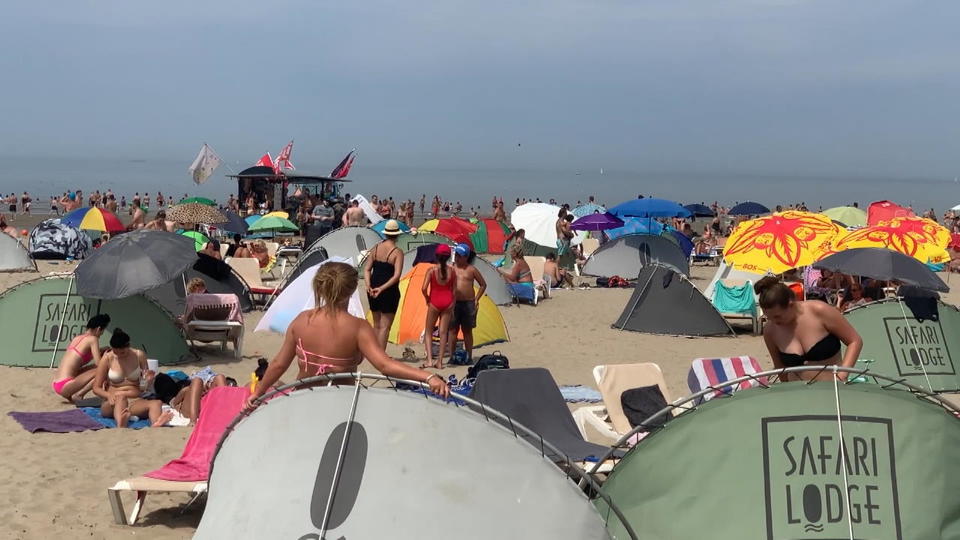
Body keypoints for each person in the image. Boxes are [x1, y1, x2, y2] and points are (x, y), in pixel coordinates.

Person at [247, 262, 449, 410]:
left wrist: (258, 394)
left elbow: (278, 365)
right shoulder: (358, 327)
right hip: (341, 404)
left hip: (304, 401)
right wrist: (428, 377)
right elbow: (385, 366)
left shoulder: (301, 320)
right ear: (352, 289)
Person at [756, 276, 863, 382]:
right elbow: (780, 369)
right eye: (768, 317)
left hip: (832, 391)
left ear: (791, 304)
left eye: (777, 317)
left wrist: (842, 375)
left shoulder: (820, 310)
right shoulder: (770, 331)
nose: (774, 322)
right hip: (797, 393)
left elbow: (855, 341)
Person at [92, 329, 173, 428]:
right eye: (115, 352)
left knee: (157, 403)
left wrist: (147, 381)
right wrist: (108, 395)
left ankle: (156, 424)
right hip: (113, 401)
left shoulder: (139, 355)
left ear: (128, 346)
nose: (119, 355)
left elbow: (143, 388)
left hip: (134, 400)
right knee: (121, 398)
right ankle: (121, 424)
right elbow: (96, 387)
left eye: (122, 352)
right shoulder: (108, 358)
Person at [51, 314, 111, 403]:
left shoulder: (78, 338)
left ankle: (73, 395)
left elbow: (80, 355)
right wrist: (107, 355)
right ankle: (79, 395)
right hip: (66, 385)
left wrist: (102, 349)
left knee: (95, 367)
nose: (102, 334)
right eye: (103, 331)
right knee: (104, 369)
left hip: (57, 383)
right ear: (98, 329)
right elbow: (99, 363)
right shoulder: (93, 339)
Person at [364, 220, 404, 349]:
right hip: (388, 291)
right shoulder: (397, 252)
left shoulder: (375, 248)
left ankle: (375, 353)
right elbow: (396, 276)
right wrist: (382, 288)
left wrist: (368, 285)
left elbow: (367, 269)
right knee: (385, 327)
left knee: (376, 324)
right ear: (397, 235)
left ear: (385, 234)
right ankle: (381, 355)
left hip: (373, 288)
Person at [447, 244, 486, 362]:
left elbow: (483, 284)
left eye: (460, 255)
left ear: (466, 257)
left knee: (467, 331)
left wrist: (476, 299)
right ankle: (451, 356)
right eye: (456, 255)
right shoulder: (451, 268)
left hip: (468, 303)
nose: (457, 257)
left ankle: (469, 356)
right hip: (454, 303)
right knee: (453, 330)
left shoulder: (471, 269)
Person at [421, 244, 456, 369]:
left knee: (429, 331)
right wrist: (452, 304)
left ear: (436, 256)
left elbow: (423, 288)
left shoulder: (431, 271)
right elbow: (454, 290)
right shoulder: (452, 271)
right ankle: (440, 362)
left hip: (435, 301)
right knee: (443, 332)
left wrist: (427, 299)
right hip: (448, 301)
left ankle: (430, 360)